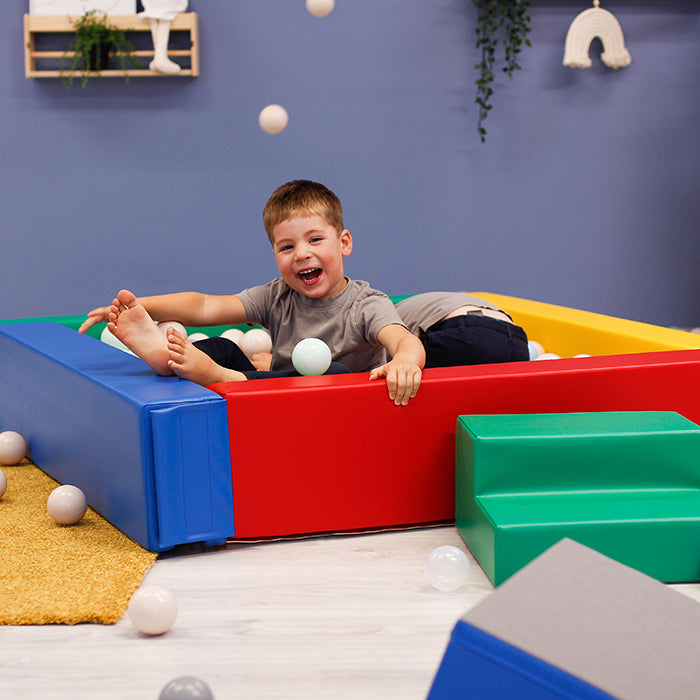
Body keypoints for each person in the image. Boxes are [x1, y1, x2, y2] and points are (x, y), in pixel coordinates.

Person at [79, 180, 425, 406]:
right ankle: (164, 358)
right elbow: (205, 306)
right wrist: (142, 306)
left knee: (331, 372)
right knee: (223, 347)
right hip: (269, 401)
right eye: (286, 247)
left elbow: (403, 340)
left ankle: (224, 377)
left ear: (344, 243)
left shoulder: (365, 304)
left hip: (338, 407)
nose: (301, 253)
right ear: (275, 254)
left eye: (315, 239)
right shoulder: (277, 296)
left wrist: (405, 361)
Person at [395, 292, 529, 368]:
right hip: (517, 342)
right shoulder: (430, 302)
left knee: (403, 375)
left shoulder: (386, 320)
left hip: (468, 333)